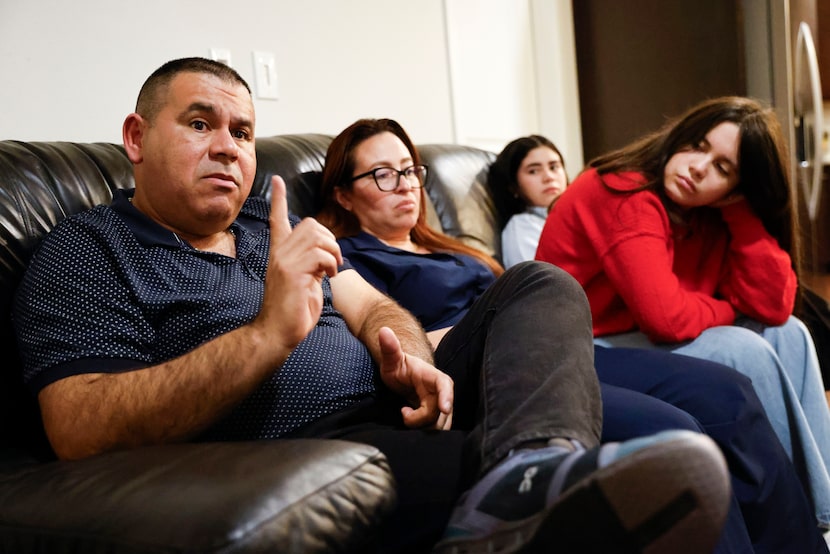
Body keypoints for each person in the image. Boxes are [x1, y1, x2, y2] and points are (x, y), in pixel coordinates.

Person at [10, 58, 732, 554]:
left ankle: (533, 467)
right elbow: (78, 427)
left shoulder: (273, 227)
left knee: (540, 285)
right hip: (315, 445)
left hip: (403, 404)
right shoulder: (86, 251)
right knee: (631, 490)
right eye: (199, 124)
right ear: (135, 139)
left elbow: (371, 307)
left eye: (242, 132)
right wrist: (269, 334)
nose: (228, 148)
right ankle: (525, 493)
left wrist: (404, 350)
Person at [316, 116, 830, 553]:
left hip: (549, 342)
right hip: (482, 366)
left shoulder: (459, 250)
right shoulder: (353, 260)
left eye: (410, 170)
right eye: (383, 174)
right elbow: (379, 337)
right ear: (343, 193)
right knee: (677, 426)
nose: (406, 184)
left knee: (727, 394)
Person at [534, 96, 830, 529]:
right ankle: (796, 517)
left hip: (634, 338)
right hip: (579, 345)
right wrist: (728, 308)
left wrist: (741, 210)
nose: (697, 166)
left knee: (791, 334)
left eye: (723, 169)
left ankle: (821, 509)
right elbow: (664, 317)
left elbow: (774, 305)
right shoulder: (622, 190)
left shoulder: (708, 214)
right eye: (697, 145)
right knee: (745, 348)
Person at [486, 134, 568, 269]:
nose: (549, 177)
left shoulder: (575, 216)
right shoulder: (521, 227)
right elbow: (541, 285)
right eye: (533, 171)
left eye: (554, 167)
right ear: (513, 186)